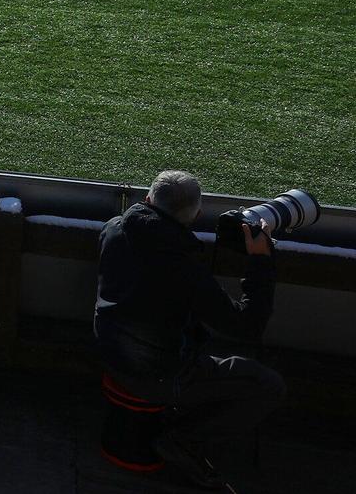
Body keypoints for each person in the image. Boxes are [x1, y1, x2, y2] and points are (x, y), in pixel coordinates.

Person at [95, 170, 283, 488]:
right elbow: (246, 326)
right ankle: (183, 438)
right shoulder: (184, 269)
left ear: (148, 199)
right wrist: (260, 261)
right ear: (196, 214)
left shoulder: (114, 229)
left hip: (110, 352)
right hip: (158, 374)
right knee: (269, 385)